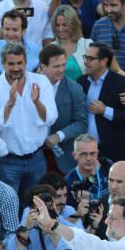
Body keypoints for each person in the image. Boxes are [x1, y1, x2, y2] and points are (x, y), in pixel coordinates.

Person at [0, 42, 57, 206]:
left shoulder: (41, 82)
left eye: (20, 63)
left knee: (38, 208)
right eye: (11, 64)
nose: (16, 68)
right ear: (3, 64)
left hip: (37, 158)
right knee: (9, 208)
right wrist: (10, 103)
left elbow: (51, 118)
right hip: (8, 162)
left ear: (25, 62)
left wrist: (37, 102)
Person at [78, 42, 125, 164]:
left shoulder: (121, 82)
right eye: (85, 57)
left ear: (104, 61)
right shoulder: (81, 81)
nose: (85, 62)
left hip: (115, 151)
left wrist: (105, 111)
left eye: (90, 59)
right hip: (88, 152)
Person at [39, 45, 88, 173]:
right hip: (34, 155)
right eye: (56, 66)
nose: (61, 70)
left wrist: (59, 136)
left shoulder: (74, 89)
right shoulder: (29, 86)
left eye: (63, 65)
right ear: (43, 66)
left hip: (62, 156)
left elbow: (81, 123)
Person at [0, 9, 40, 79]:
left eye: (15, 30)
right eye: (7, 29)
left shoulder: (35, 49)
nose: (10, 34)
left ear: (23, 31)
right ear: (2, 29)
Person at [65, 134, 111, 206]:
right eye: (83, 154)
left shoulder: (109, 167)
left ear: (97, 153)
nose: (89, 158)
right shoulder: (69, 182)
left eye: (92, 153)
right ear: (74, 155)